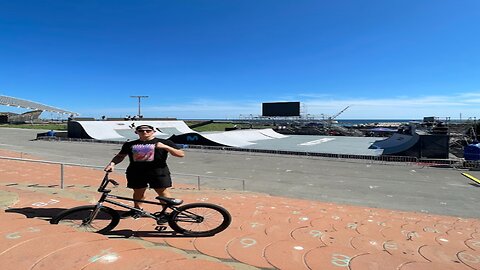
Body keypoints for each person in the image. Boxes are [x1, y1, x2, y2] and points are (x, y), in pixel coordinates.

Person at [104, 124, 185, 218]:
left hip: (158, 172)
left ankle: (166, 212)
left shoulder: (164, 142)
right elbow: (120, 156)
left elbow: (181, 154)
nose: (145, 132)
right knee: (138, 192)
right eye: (141, 131)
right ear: (136, 132)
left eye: (148, 130)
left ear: (154, 131)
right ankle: (137, 210)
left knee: (163, 193)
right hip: (136, 172)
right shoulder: (130, 144)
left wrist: (166, 147)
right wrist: (112, 164)